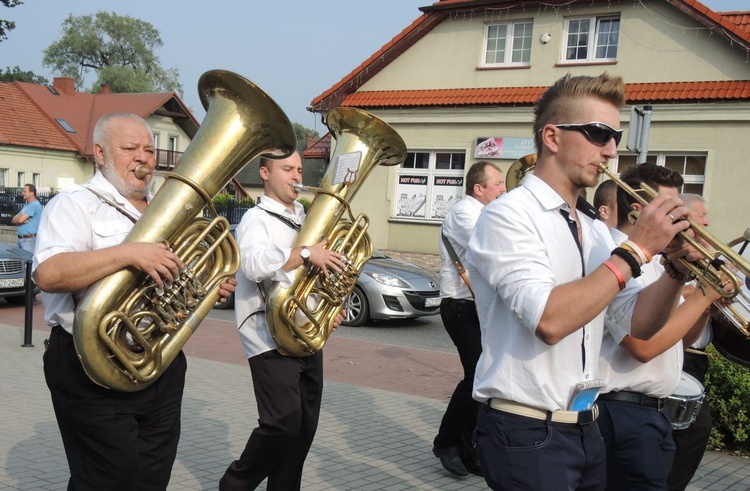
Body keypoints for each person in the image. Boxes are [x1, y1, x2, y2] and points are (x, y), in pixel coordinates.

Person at [465, 72, 695, 490]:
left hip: (587, 425)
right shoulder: (509, 215)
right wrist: (637, 250)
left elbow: (636, 325)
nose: (610, 150)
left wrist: (676, 271)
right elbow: (549, 319)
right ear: (552, 137)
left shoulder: (593, 230)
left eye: (615, 136)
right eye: (596, 133)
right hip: (527, 428)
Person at [33, 113, 235, 491]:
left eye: (148, 148)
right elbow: (49, 273)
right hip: (88, 364)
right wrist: (128, 254)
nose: (143, 158)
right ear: (99, 153)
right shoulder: (75, 204)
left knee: (152, 477)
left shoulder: (168, 209)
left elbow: (177, 281)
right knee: (109, 479)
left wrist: (208, 288)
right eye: (130, 149)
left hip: (157, 363)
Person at [220, 152, 345, 491]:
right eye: (287, 169)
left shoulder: (305, 217)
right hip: (267, 337)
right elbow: (253, 265)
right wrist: (305, 252)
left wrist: (328, 309)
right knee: (282, 424)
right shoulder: (255, 219)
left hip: (305, 335)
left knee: (304, 429)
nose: (296, 176)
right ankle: (236, 483)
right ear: (265, 173)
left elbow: (311, 280)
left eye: (300, 170)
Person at [597, 165, 723, 491]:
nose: (686, 223)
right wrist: (706, 295)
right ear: (639, 210)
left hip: (652, 412)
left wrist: (707, 305)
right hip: (621, 409)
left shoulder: (657, 261)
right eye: (674, 212)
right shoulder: (614, 257)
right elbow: (643, 346)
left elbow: (678, 341)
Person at [432, 161, 506, 478]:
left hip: (477, 305)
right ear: (479, 189)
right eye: (499, 183)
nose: (504, 189)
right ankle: (446, 442)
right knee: (476, 373)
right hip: (458, 304)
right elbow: (490, 245)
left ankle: (468, 446)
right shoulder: (465, 212)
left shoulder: (487, 212)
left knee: (483, 376)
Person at [668, 193, 714, 491]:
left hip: (696, 358)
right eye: (702, 216)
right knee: (693, 428)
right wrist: (702, 292)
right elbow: (670, 299)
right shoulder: (672, 250)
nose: (708, 222)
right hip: (675, 353)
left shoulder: (708, 254)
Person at [11, 183, 43, 253]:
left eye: (25, 191)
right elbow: (13, 219)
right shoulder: (27, 205)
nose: (23, 193)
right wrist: (21, 218)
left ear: (31, 193)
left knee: (27, 261)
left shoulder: (34, 205)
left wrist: (21, 219)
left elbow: (20, 220)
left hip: (29, 240)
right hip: (21, 239)